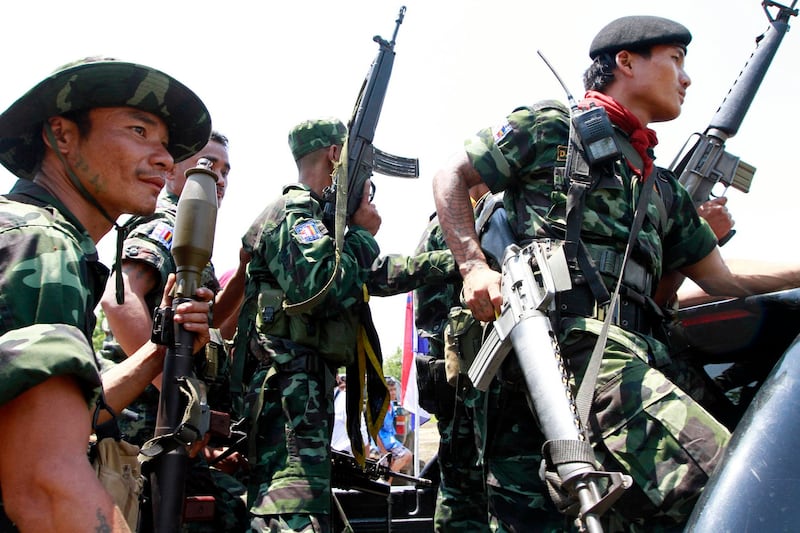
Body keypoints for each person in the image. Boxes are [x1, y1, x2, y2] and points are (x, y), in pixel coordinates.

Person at [431, 16, 800, 531]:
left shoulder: (662, 187)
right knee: (736, 487)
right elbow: (452, 173)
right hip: (568, 346)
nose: (687, 77)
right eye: (675, 60)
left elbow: (725, 281)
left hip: (640, 350)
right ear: (625, 62)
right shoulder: (551, 127)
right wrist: (473, 265)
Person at [0, 57, 213, 532]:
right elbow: (46, 485)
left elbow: (69, 419)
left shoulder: (35, 235)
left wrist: (158, 351)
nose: (165, 159)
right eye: (139, 130)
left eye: (165, 144)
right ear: (62, 135)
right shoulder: (43, 244)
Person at [231, 117, 384, 532]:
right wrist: (363, 236)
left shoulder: (318, 223)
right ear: (335, 155)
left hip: (300, 396)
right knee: (289, 516)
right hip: (288, 398)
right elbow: (319, 287)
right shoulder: (295, 211)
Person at [98, 130, 249, 531]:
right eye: (207, 165)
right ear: (171, 170)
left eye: (226, 170)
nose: (219, 178)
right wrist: (174, 396)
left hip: (165, 431)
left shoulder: (194, 237)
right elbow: (119, 299)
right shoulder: (164, 225)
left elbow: (207, 327)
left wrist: (244, 271)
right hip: (141, 426)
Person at [413, 183, 493, 531]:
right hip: (464, 375)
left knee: (461, 481)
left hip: (457, 374)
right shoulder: (458, 228)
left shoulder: (461, 223)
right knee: (465, 486)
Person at [373, 377, 413, 483]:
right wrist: (383, 451)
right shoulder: (379, 407)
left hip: (390, 441)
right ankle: (386, 481)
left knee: (406, 456)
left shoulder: (390, 405)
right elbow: (374, 432)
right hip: (381, 443)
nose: (393, 392)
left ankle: (386, 481)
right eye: (390, 390)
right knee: (406, 455)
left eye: (394, 389)